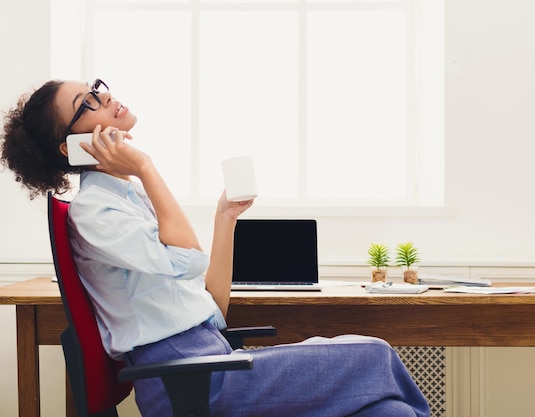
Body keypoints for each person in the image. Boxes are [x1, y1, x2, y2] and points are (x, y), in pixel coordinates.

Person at [1, 78, 431, 417]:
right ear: (71, 146)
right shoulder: (96, 212)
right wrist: (146, 166)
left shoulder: (124, 199)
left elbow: (212, 311)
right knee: (375, 354)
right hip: (189, 382)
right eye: (87, 103)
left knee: (387, 410)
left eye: (97, 88)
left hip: (210, 363)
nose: (106, 96)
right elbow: (187, 258)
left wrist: (224, 218)